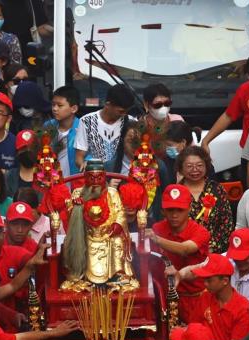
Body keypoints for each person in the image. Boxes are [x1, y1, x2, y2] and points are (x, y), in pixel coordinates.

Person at [148, 186, 211, 324]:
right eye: (170, 210)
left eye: (180, 210)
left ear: (189, 209)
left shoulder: (200, 232)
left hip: (196, 300)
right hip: (166, 299)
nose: (174, 215)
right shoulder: (157, 228)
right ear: (163, 210)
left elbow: (185, 249)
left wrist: (157, 239)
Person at [175, 146, 232, 254]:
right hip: (183, 252)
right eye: (189, 166)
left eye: (199, 165)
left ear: (206, 166)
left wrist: (211, 248)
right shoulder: (176, 192)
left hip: (214, 253)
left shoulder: (217, 189)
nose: (195, 170)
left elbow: (226, 224)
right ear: (181, 168)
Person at [74, 84, 135, 173]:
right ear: (107, 105)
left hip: (124, 180)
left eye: (126, 111)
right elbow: (79, 158)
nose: (124, 114)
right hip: (98, 179)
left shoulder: (131, 122)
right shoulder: (87, 121)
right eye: (121, 111)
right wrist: (85, 166)